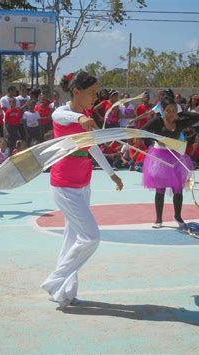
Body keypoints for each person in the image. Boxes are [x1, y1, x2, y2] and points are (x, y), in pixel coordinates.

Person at [40, 71, 123, 310]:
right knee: (91, 237)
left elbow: (92, 147)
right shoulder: (64, 113)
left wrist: (111, 173)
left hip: (83, 182)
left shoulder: (86, 115)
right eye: (92, 92)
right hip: (64, 184)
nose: (96, 97)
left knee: (73, 238)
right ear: (76, 91)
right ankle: (55, 281)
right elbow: (61, 114)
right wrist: (79, 120)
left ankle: (64, 293)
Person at [141, 92, 199, 229]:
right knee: (160, 189)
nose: (171, 113)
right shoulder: (157, 121)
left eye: (174, 110)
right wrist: (155, 141)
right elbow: (142, 132)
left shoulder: (179, 121)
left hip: (176, 155)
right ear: (163, 110)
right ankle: (158, 219)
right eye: (168, 110)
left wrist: (180, 114)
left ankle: (178, 216)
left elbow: (198, 117)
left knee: (178, 188)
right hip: (160, 156)